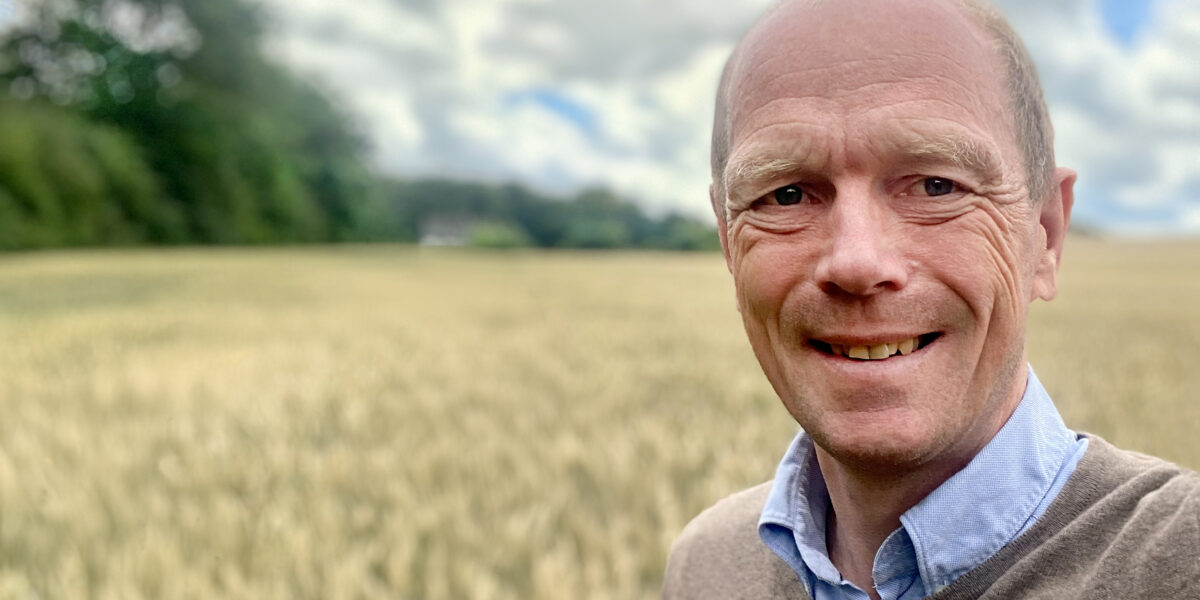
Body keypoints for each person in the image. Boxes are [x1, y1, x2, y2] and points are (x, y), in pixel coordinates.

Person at [662, 0, 1200, 598]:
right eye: (787, 195)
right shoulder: (705, 567)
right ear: (729, 246)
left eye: (937, 185)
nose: (857, 261)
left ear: (1044, 234)